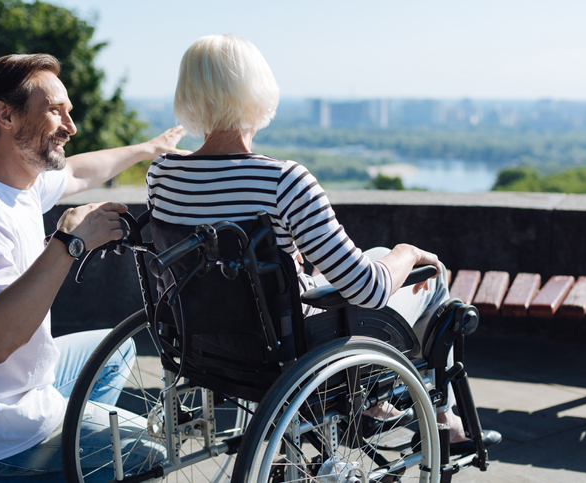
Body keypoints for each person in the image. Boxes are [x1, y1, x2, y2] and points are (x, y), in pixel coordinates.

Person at [146, 34, 501, 452]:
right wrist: (408, 251)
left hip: (201, 342)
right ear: (256, 91)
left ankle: (379, 405)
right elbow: (366, 289)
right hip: (284, 344)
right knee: (428, 279)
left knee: (367, 259)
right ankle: (445, 421)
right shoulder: (284, 180)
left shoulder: (163, 175)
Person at [0, 54, 187, 483]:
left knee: (115, 354)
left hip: (8, 392)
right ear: (6, 115)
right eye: (55, 111)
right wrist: (68, 244)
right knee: (155, 453)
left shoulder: (17, 182)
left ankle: (66, 462)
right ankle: (6, 475)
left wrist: (150, 150)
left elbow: (75, 172)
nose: (70, 127)